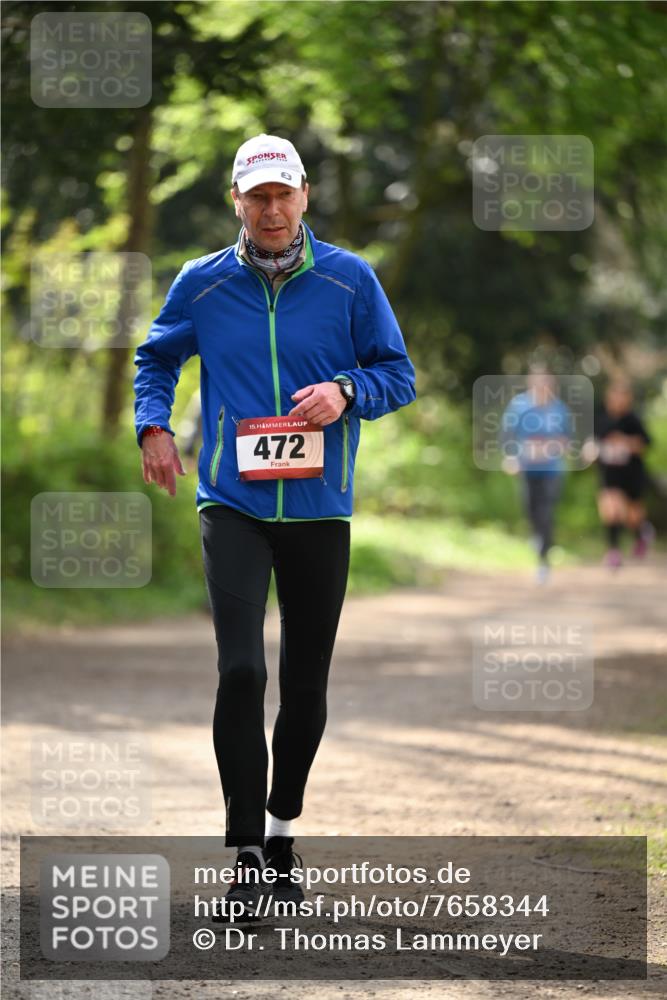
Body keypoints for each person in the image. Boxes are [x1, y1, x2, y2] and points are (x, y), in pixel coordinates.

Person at [133, 134, 416, 919]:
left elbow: (399, 373)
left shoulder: (350, 280)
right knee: (240, 672)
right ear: (236, 200)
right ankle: (246, 854)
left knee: (303, 683)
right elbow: (154, 360)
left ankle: (283, 832)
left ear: (302, 198)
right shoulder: (202, 284)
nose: (269, 208)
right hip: (232, 501)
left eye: (281, 194)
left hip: (321, 505)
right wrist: (153, 426)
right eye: (254, 196)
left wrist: (347, 393)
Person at [501, 371, 573, 584]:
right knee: (530, 509)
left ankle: (543, 560)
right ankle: (539, 539)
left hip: (552, 470)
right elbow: (507, 435)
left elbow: (567, 439)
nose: (543, 391)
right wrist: (511, 457)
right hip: (527, 469)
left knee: (546, 511)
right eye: (539, 386)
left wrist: (554, 447)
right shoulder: (519, 406)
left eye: (547, 387)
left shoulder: (559, 410)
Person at [594, 379, 652, 569]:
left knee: (632, 516)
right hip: (609, 474)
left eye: (623, 397)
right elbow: (591, 444)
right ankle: (613, 551)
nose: (618, 401)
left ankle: (641, 533)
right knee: (611, 510)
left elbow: (646, 444)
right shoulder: (600, 419)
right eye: (615, 396)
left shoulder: (633, 420)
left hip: (631, 474)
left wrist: (625, 442)